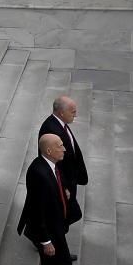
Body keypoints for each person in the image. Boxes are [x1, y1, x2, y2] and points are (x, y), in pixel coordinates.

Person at [10, 134, 76, 265]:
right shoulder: (39, 173)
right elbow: (36, 210)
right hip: (45, 230)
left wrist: (64, 191)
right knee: (58, 264)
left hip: (55, 225)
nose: (64, 149)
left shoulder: (51, 164)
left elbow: (54, 187)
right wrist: (46, 241)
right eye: (60, 146)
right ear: (48, 150)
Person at [39, 95, 87, 237]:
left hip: (68, 179)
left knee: (67, 214)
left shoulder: (60, 125)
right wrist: (63, 186)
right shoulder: (51, 129)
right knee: (63, 214)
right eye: (72, 112)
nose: (76, 115)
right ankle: (51, 241)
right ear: (61, 113)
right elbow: (54, 161)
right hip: (62, 182)